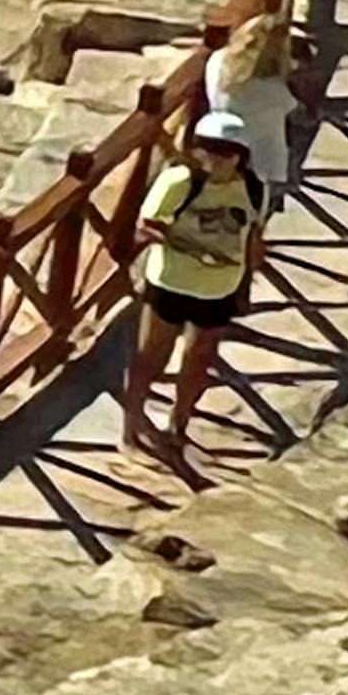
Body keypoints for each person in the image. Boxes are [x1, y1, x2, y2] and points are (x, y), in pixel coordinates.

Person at [133, 106, 275, 477]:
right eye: (206, 149)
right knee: (151, 356)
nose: (212, 158)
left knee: (199, 357)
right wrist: (193, 249)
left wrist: (249, 273)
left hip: (220, 287)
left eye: (222, 151)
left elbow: (253, 236)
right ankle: (131, 431)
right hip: (171, 282)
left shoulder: (253, 186)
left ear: (239, 155)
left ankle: (178, 426)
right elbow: (147, 227)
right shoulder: (181, 181)